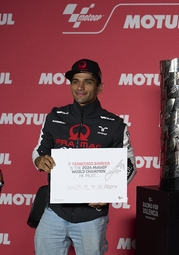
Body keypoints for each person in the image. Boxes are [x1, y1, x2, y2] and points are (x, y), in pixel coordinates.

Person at [32, 59, 137, 255]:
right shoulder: (55, 116)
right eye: (75, 81)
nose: (80, 87)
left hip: (91, 216)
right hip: (55, 211)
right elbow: (39, 150)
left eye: (88, 81)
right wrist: (39, 160)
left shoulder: (115, 124)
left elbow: (129, 166)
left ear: (99, 87)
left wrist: (109, 193)